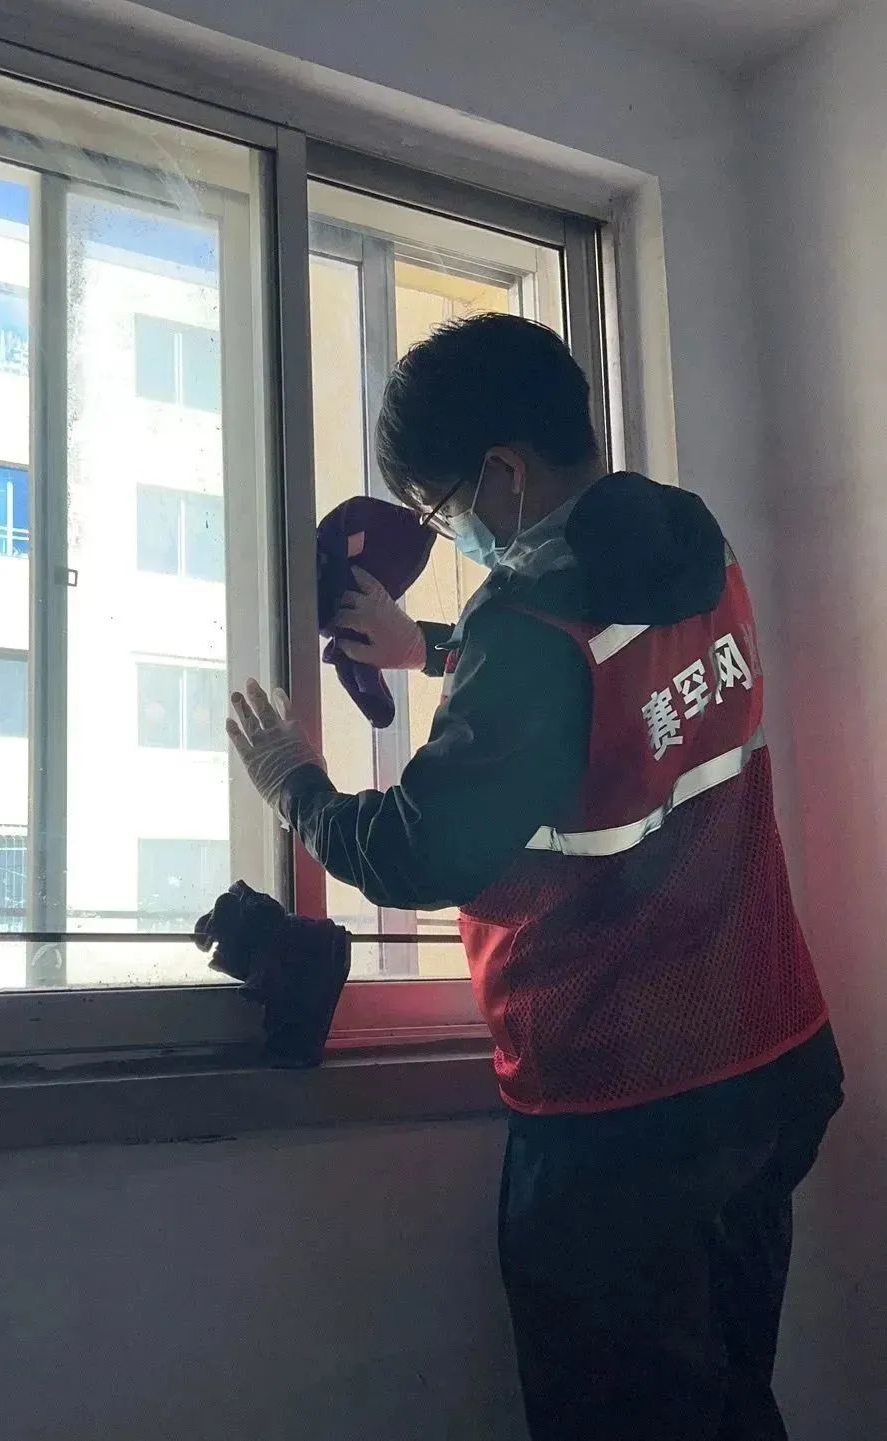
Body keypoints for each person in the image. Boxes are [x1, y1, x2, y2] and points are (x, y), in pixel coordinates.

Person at [226, 314, 843, 1441]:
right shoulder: (691, 544)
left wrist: (294, 782)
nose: (449, 533)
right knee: (728, 1399)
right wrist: (432, 649)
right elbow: (597, 692)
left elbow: (419, 849)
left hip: (627, 1109)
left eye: (438, 509)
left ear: (503, 474)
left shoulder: (525, 620)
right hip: (771, 1065)